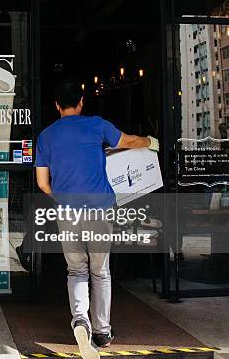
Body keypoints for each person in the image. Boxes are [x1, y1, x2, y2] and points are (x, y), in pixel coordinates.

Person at [34, 78, 159, 359]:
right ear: (81, 103)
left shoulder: (46, 136)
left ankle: (80, 320)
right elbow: (128, 141)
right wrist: (150, 142)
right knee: (100, 271)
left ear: (57, 106)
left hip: (67, 210)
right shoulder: (96, 125)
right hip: (99, 208)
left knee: (75, 269)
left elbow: (42, 183)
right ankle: (102, 331)